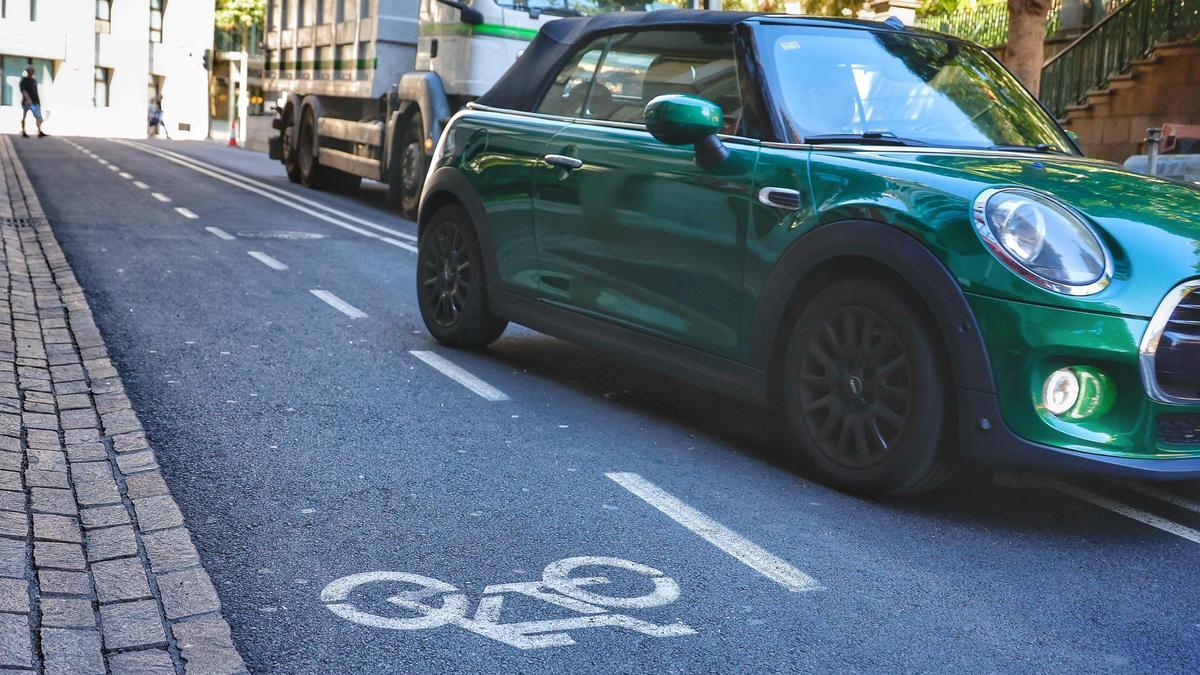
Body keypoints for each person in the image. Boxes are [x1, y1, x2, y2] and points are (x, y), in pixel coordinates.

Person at [19, 66, 47, 138]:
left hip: (36, 102)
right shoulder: (24, 81)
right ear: (28, 71)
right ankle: (23, 131)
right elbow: (24, 91)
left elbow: (35, 92)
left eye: (33, 70)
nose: (33, 72)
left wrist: (38, 102)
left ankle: (39, 131)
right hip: (26, 103)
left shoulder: (34, 81)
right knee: (24, 117)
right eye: (32, 70)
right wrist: (29, 101)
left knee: (38, 117)